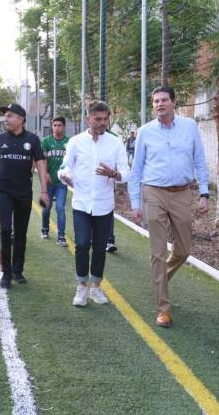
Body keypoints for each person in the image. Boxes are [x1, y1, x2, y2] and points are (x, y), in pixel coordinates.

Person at [129, 86, 209, 328]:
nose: (160, 104)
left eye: (164, 100)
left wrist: (204, 192)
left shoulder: (190, 127)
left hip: (182, 193)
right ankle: (163, 308)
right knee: (158, 252)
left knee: (184, 250)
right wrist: (135, 204)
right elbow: (137, 170)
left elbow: (200, 160)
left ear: (174, 103)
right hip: (153, 192)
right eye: (155, 101)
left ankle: (161, 278)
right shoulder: (145, 132)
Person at [59, 101, 129, 307]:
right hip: (81, 204)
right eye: (98, 119)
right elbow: (64, 167)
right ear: (88, 119)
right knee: (82, 244)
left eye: (105, 119)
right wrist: (66, 176)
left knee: (99, 247)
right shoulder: (75, 142)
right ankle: (82, 287)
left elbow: (126, 173)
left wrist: (114, 174)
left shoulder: (116, 143)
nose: (102, 123)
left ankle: (96, 287)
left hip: (104, 205)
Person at [0, 103, 48, 289]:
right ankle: (6, 272)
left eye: (10, 116)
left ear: (21, 119)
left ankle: (18, 271)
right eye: (6, 116)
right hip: (3, 191)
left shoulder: (33, 140)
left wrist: (43, 190)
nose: (6, 119)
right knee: (5, 229)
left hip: (24, 193)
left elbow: (41, 164)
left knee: (20, 233)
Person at [40, 116, 70, 247]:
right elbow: (42, 160)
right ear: (52, 126)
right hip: (48, 182)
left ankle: (61, 236)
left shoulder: (69, 142)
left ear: (64, 127)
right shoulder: (46, 141)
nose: (57, 127)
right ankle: (45, 229)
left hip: (61, 183)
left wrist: (69, 175)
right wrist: (45, 174)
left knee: (60, 208)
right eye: (55, 125)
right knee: (46, 208)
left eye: (59, 125)